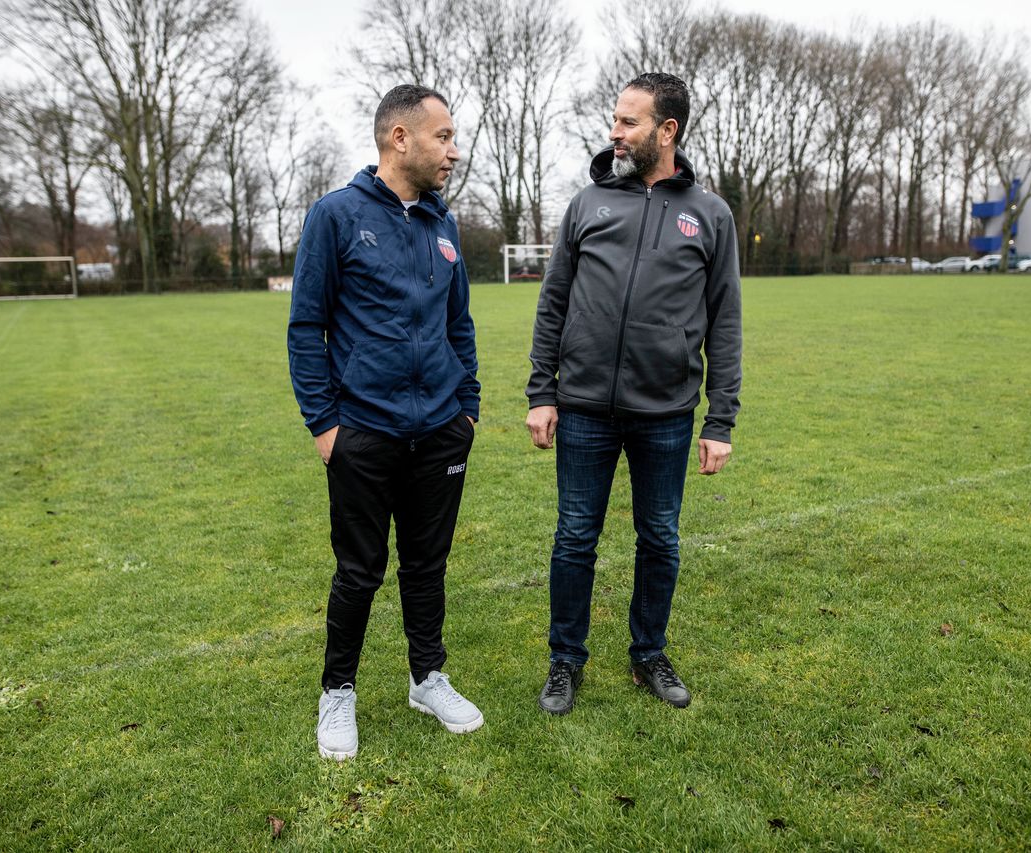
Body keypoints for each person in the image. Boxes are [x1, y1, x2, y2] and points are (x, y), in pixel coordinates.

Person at [525, 73, 742, 715]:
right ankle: (566, 661)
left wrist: (720, 420)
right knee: (573, 537)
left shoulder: (709, 214)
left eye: (628, 122)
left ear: (665, 131)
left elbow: (724, 319)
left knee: (661, 538)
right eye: (614, 120)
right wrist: (543, 391)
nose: (614, 132)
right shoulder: (588, 204)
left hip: (667, 414)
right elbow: (553, 303)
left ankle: (648, 652)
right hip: (586, 407)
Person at [288, 84, 483, 761]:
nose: (453, 151)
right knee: (360, 570)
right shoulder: (335, 216)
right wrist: (325, 426)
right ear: (400, 138)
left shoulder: (443, 223)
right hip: (362, 434)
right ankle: (336, 690)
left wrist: (468, 409)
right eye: (443, 137)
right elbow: (305, 326)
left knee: (427, 565)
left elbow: (460, 323)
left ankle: (427, 677)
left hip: (440, 431)